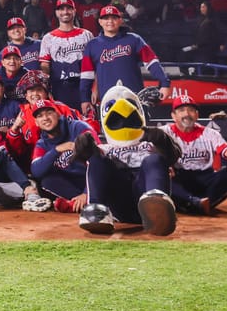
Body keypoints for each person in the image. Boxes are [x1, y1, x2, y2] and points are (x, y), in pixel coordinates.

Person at [74, 83, 181, 236]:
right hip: (119, 201)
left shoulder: (151, 142)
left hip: (146, 198)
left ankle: (157, 204)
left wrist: (163, 141)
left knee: (153, 160)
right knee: (97, 161)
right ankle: (97, 212)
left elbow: (173, 156)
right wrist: (83, 150)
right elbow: (87, 167)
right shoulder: (103, 149)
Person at [79, 5, 171, 116]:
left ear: (120, 20)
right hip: (108, 102)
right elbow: (86, 76)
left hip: (135, 99)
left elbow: (152, 62)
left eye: (114, 18)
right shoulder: (92, 45)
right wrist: (85, 99)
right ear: (100, 21)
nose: (110, 21)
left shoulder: (134, 39)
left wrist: (164, 83)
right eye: (106, 18)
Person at [163, 97, 227, 214]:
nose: (187, 114)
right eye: (182, 110)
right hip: (180, 179)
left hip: (205, 179)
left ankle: (199, 203)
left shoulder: (209, 133)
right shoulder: (164, 133)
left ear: (197, 115)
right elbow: (151, 154)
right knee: (161, 174)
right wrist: (165, 165)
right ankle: (194, 202)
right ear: (173, 116)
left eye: (191, 110)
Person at [29, 99, 97, 213]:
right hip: (73, 184)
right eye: (40, 116)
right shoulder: (42, 144)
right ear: (36, 122)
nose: (45, 118)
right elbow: (36, 171)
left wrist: (87, 193)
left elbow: (98, 159)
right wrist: (56, 150)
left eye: (49, 113)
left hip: (92, 178)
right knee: (47, 181)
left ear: (58, 114)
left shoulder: (79, 127)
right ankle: (81, 203)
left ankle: (85, 202)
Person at [39, 0, 95, 109]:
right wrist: (45, 88)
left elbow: (95, 63)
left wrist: (95, 88)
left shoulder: (86, 35)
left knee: (88, 118)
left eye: (69, 8)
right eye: (61, 9)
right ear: (56, 13)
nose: (65, 12)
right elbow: (45, 65)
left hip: (85, 86)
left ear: (74, 11)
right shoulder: (48, 38)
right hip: (60, 87)